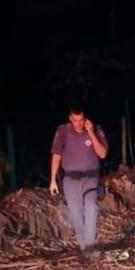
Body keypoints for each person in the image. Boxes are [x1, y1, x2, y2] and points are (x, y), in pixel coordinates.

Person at [49, 106, 108, 260]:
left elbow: (102, 154)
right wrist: (53, 180)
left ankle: (90, 246)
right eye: (75, 120)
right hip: (71, 178)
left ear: (85, 119)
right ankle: (83, 246)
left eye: (81, 120)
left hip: (91, 177)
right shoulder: (63, 131)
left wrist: (90, 132)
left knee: (91, 207)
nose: (78, 124)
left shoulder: (95, 130)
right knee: (75, 212)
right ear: (70, 118)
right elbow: (56, 155)